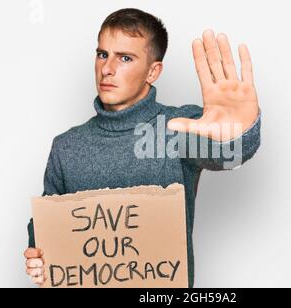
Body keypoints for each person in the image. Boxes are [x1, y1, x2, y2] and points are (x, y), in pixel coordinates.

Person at [24, 8, 262, 288]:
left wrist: (239, 131)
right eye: (103, 54)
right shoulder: (66, 145)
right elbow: (46, 229)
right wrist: (37, 255)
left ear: (153, 71)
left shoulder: (178, 127)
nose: (107, 68)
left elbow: (229, 154)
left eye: (125, 58)